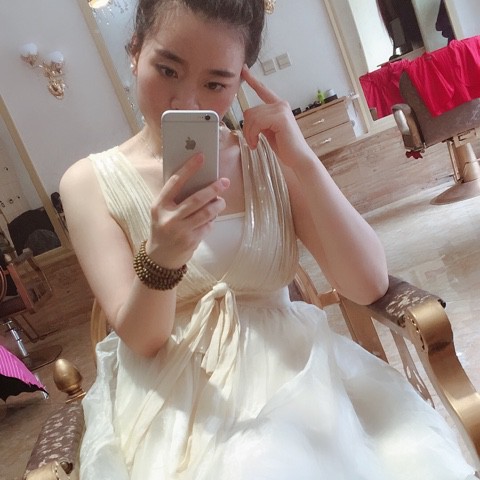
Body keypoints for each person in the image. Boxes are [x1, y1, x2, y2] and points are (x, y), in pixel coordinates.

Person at [60, 1, 477, 478]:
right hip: (173, 405)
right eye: (168, 69)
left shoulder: (266, 154)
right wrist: (163, 257)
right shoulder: (88, 183)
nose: (187, 101)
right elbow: (143, 340)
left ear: (241, 80)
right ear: (135, 53)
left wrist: (303, 162)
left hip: (300, 379)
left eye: (216, 83)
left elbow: (367, 285)